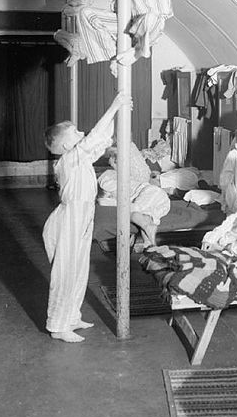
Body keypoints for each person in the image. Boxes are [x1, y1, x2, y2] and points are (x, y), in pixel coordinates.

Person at [43, 92, 130, 343]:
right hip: (69, 218)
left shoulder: (78, 157)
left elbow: (100, 140)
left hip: (82, 215)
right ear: (64, 147)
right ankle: (58, 326)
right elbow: (93, 139)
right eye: (75, 133)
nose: (81, 134)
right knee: (66, 272)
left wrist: (119, 112)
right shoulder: (69, 160)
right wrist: (114, 105)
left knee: (79, 269)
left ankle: (70, 317)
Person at [97, 143, 170, 246]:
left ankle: (145, 231)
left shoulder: (110, 177)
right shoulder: (115, 178)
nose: (113, 166)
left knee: (131, 210)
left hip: (150, 192)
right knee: (145, 216)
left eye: (114, 163)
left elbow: (106, 195)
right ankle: (149, 244)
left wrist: (106, 196)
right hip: (159, 201)